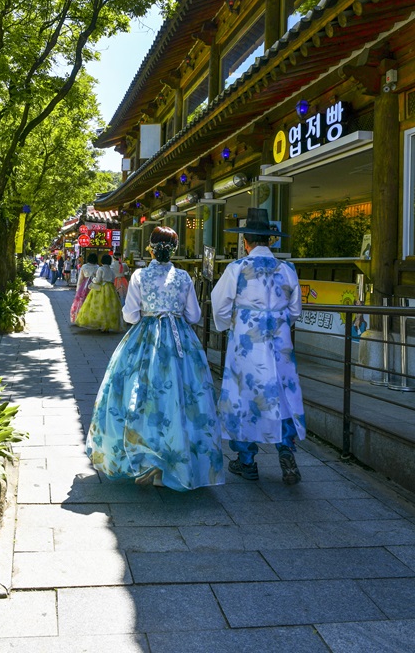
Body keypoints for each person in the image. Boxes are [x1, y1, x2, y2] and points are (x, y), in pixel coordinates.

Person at [86, 226, 224, 490]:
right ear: (174, 249)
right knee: (179, 400)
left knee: (140, 397)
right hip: (180, 342)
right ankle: (170, 465)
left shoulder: (140, 275)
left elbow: (130, 315)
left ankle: (144, 457)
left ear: (150, 248)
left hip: (144, 340)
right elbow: (194, 316)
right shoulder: (184, 277)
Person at [211, 208, 305, 485]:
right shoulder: (287, 269)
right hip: (279, 341)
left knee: (245, 395)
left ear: (245, 242)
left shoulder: (237, 268)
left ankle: (246, 460)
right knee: (281, 393)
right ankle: (286, 449)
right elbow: (295, 310)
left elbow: (220, 305)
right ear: (271, 241)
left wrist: (231, 324)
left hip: (246, 341)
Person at [75, 254, 123, 332]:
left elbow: (98, 280)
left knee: (99, 305)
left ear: (102, 261)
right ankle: (106, 325)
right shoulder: (111, 270)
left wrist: (93, 280)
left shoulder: (100, 269)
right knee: (109, 306)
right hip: (110, 289)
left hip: (101, 288)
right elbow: (113, 279)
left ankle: (100, 324)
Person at [70, 252, 100, 323]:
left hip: (84, 286)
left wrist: (78, 289)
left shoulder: (84, 266)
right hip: (94, 285)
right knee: (93, 302)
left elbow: (80, 279)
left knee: (82, 302)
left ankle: (81, 317)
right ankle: (92, 318)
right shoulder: (98, 267)